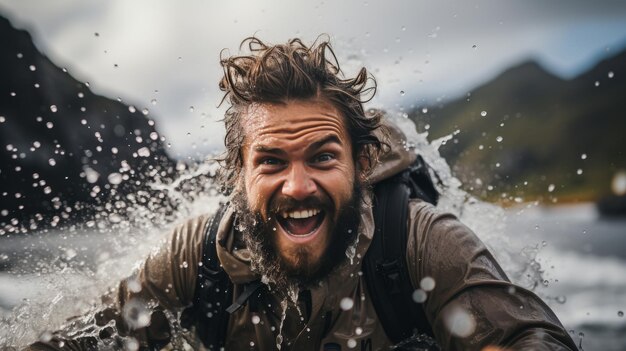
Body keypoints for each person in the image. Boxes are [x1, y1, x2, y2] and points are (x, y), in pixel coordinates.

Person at [28, 37, 577, 351]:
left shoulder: (419, 246)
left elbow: (534, 340)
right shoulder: (195, 259)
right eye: (270, 161)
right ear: (238, 176)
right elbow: (85, 340)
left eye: (322, 157)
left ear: (361, 165)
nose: (296, 187)